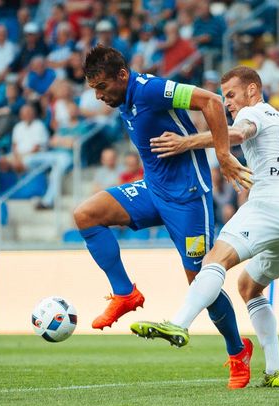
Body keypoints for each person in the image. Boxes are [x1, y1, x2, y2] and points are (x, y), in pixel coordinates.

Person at [74, 46, 252, 387]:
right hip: (153, 191)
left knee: (202, 285)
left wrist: (223, 154)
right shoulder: (124, 99)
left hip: (187, 198)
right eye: (94, 89)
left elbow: (212, 102)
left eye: (102, 87)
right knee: (86, 214)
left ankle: (237, 350)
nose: (98, 96)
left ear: (122, 76)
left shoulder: (150, 89)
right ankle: (125, 293)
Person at [132, 66, 279, 389]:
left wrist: (186, 142)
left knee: (214, 261)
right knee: (249, 288)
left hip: (269, 205)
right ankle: (275, 370)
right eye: (224, 96)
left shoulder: (254, 114)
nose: (227, 103)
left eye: (231, 95)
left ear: (253, 90)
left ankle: (179, 324)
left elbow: (237, 135)